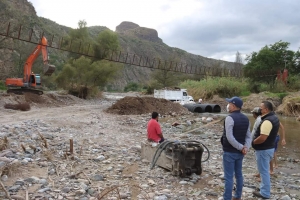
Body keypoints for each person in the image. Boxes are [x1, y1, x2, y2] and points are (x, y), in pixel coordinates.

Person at [221, 96, 251, 200]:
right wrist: (246, 148)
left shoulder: (229, 118)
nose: (228, 105)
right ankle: (237, 196)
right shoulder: (246, 118)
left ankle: (227, 198)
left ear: (233, 106)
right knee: (239, 174)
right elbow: (248, 136)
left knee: (229, 177)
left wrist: (241, 147)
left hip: (230, 151)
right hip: (241, 152)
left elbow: (229, 137)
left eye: (229, 103)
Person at [252, 101, 280, 199]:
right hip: (269, 148)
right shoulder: (275, 117)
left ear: (266, 109)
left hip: (264, 149)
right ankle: (264, 188)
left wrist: (254, 142)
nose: (260, 109)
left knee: (263, 171)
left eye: (261, 108)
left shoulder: (267, 121)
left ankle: (265, 193)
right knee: (264, 170)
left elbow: (263, 137)